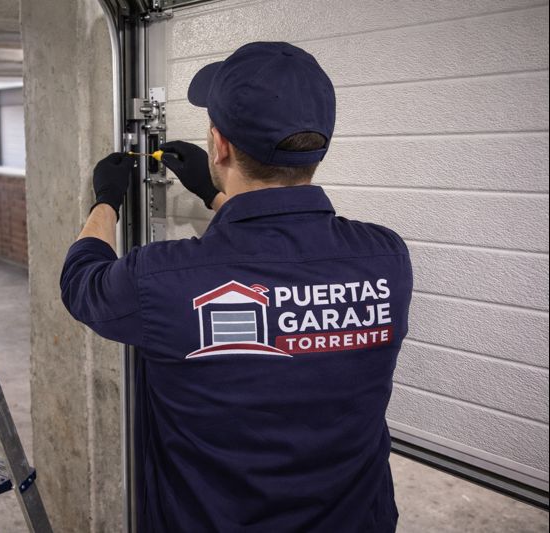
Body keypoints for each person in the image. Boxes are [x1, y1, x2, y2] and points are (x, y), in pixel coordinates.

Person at [60, 41, 411, 532]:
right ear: (319, 144)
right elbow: (278, 266)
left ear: (219, 145)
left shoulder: (161, 279)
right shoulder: (386, 258)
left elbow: (81, 282)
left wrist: (105, 201)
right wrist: (216, 194)